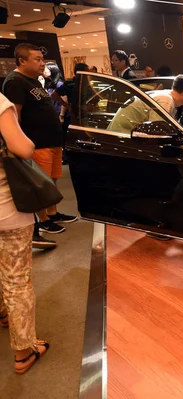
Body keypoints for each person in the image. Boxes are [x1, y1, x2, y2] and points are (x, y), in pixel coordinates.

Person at [2, 43, 78, 242]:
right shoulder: (16, 82)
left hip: (51, 141)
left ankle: (52, 213)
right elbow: (15, 116)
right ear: (22, 61)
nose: (42, 63)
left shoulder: (34, 81)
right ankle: (43, 219)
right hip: (37, 142)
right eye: (37, 59)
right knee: (40, 183)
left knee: (51, 180)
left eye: (42, 59)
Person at [0, 91, 50, 374]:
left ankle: (3, 313)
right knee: (16, 280)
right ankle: (23, 351)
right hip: (7, 210)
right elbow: (23, 148)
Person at [108, 74, 183, 133]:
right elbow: (157, 135)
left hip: (122, 136)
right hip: (121, 139)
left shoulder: (165, 96)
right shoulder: (166, 101)